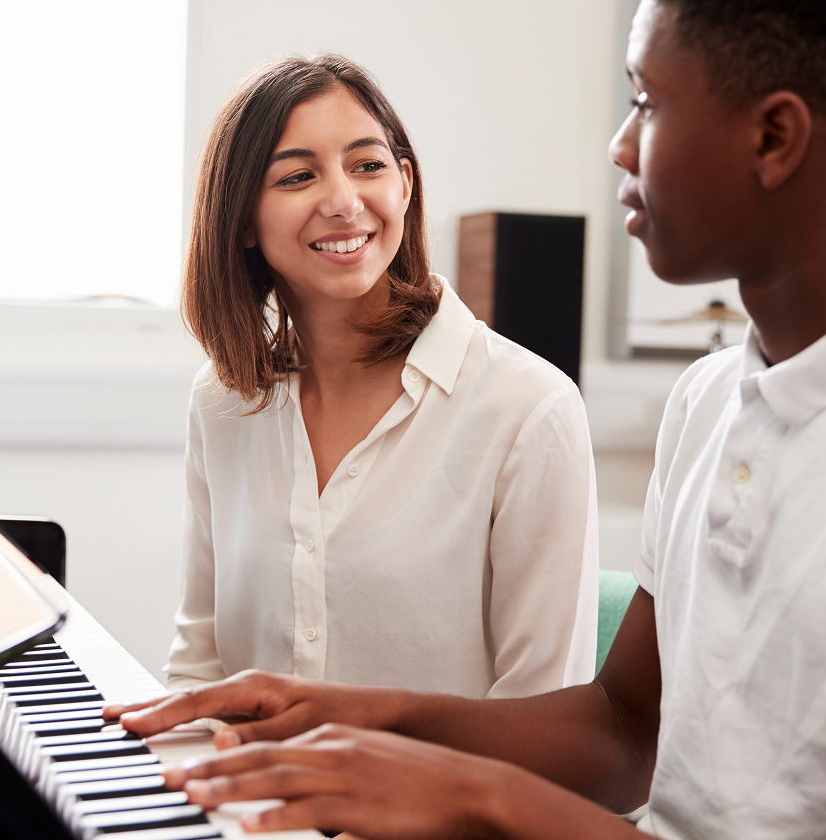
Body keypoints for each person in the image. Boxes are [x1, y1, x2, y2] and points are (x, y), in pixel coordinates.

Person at [105, 0, 826, 838]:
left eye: (645, 101)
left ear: (772, 138)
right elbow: (624, 728)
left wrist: (471, 792)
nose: (618, 145)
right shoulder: (710, 400)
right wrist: (343, 718)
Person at [165, 54, 598, 701]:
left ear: (405, 185)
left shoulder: (529, 408)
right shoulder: (222, 399)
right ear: (243, 218)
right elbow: (199, 670)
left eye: (368, 166)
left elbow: (544, 722)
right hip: (242, 772)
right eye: (298, 176)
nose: (344, 203)